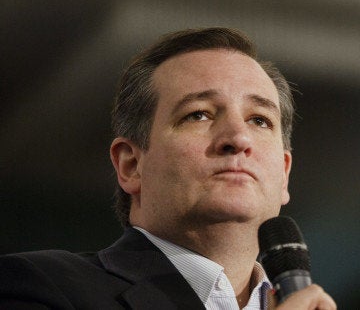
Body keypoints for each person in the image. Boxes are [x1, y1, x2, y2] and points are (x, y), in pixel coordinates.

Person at [0, 27, 336, 310]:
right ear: (131, 165)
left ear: (285, 172)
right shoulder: (40, 287)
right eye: (199, 114)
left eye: (260, 120)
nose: (238, 137)